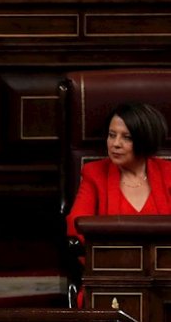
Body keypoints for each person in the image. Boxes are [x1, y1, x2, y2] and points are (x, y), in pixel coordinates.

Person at [66, 102, 171, 242]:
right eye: (112, 135)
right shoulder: (94, 173)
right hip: (111, 261)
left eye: (127, 137)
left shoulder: (167, 172)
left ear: (146, 139)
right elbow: (75, 225)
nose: (115, 144)